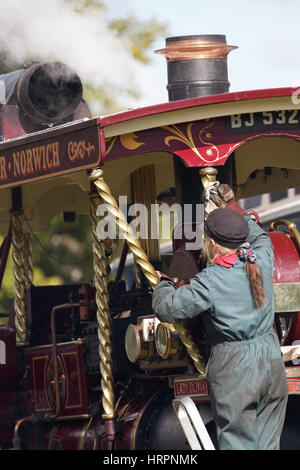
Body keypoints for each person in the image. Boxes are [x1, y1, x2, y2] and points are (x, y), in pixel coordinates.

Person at [152, 185, 288, 450]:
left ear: (212, 244)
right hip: (271, 362)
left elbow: (167, 308)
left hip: (236, 371)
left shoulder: (210, 281)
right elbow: (260, 237)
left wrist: (165, 282)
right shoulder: (262, 259)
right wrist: (233, 208)